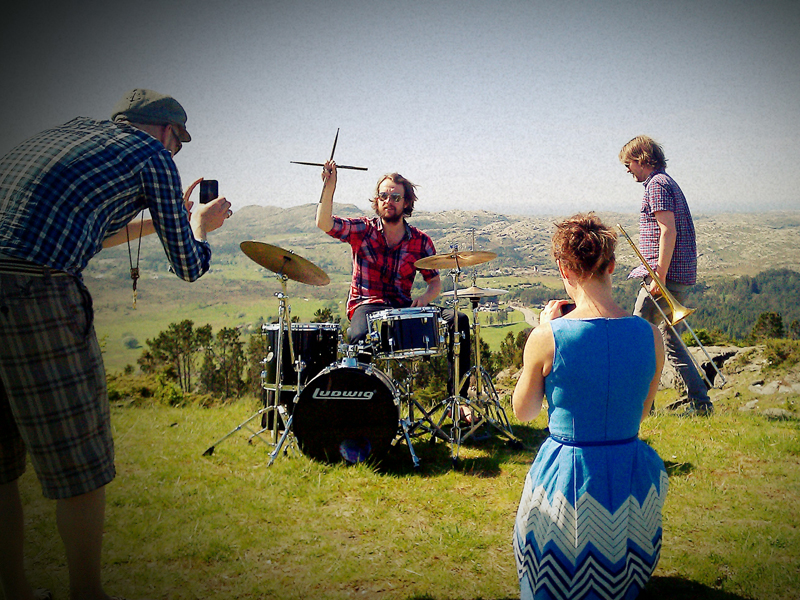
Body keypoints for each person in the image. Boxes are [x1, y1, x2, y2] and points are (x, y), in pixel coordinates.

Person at [0, 89, 231, 600]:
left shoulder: (65, 133)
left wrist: (159, 216)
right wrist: (197, 225)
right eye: (178, 143)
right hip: (36, 293)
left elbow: (85, 230)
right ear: (169, 133)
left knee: (1, 465)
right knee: (80, 465)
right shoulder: (152, 156)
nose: (175, 154)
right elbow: (190, 267)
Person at [512, 213, 668, 600]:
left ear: (564, 267)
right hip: (630, 474)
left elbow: (524, 412)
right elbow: (642, 412)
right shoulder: (651, 335)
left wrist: (542, 331)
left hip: (568, 478)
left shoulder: (548, 337)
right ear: (612, 266)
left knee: (555, 579)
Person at [315, 161, 470, 398]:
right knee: (357, 338)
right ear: (377, 201)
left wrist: (426, 297)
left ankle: (458, 400)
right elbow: (324, 223)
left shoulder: (420, 241)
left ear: (406, 203)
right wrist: (330, 185)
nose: (389, 200)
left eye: (396, 197)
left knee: (459, 321)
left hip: (401, 307)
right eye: (384, 195)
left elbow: (434, 281)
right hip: (367, 305)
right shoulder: (363, 230)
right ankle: (363, 404)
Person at [619, 135, 713, 416]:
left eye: (629, 163)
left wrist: (658, 272)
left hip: (665, 275)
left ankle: (640, 406)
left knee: (637, 335)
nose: (627, 170)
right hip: (678, 273)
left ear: (642, 159)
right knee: (671, 341)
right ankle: (701, 404)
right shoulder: (666, 181)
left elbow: (667, 230)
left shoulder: (657, 185)